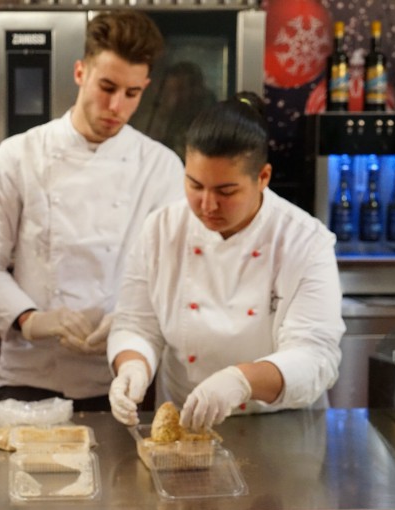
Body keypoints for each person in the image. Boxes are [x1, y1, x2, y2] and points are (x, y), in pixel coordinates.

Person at [0, 10, 185, 411]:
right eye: (107, 87)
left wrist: (128, 324)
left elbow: (172, 273)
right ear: (81, 72)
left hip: (121, 376)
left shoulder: (162, 167)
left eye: (131, 94)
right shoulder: (19, 155)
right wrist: (30, 319)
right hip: (31, 374)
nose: (116, 105)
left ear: (145, 87)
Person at [108, 92, 345, 429]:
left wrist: (241, 381)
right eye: (194, 185)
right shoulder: (161, 229)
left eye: (226, 191)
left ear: (262, 177)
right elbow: (136, 324)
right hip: (182, 429)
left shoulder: (305, 241)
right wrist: (133, 367)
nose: (207, 205)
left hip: (281, 427)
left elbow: (315, 355)